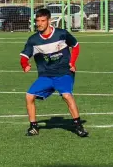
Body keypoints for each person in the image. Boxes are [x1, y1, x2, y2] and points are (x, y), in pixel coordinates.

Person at [20, 8, 88, 137]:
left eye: (42, 21)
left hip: (63, 73)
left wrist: (72, 62)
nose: (39, 23)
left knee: (67, 96)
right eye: (37, 21)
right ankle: (33, 127)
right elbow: (24, 56)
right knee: (29, 96)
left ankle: (78, 126)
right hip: (46, 75)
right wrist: (25, 65)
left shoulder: (61, 34)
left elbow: (76, 45)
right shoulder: (33, 40)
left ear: (49, 21)